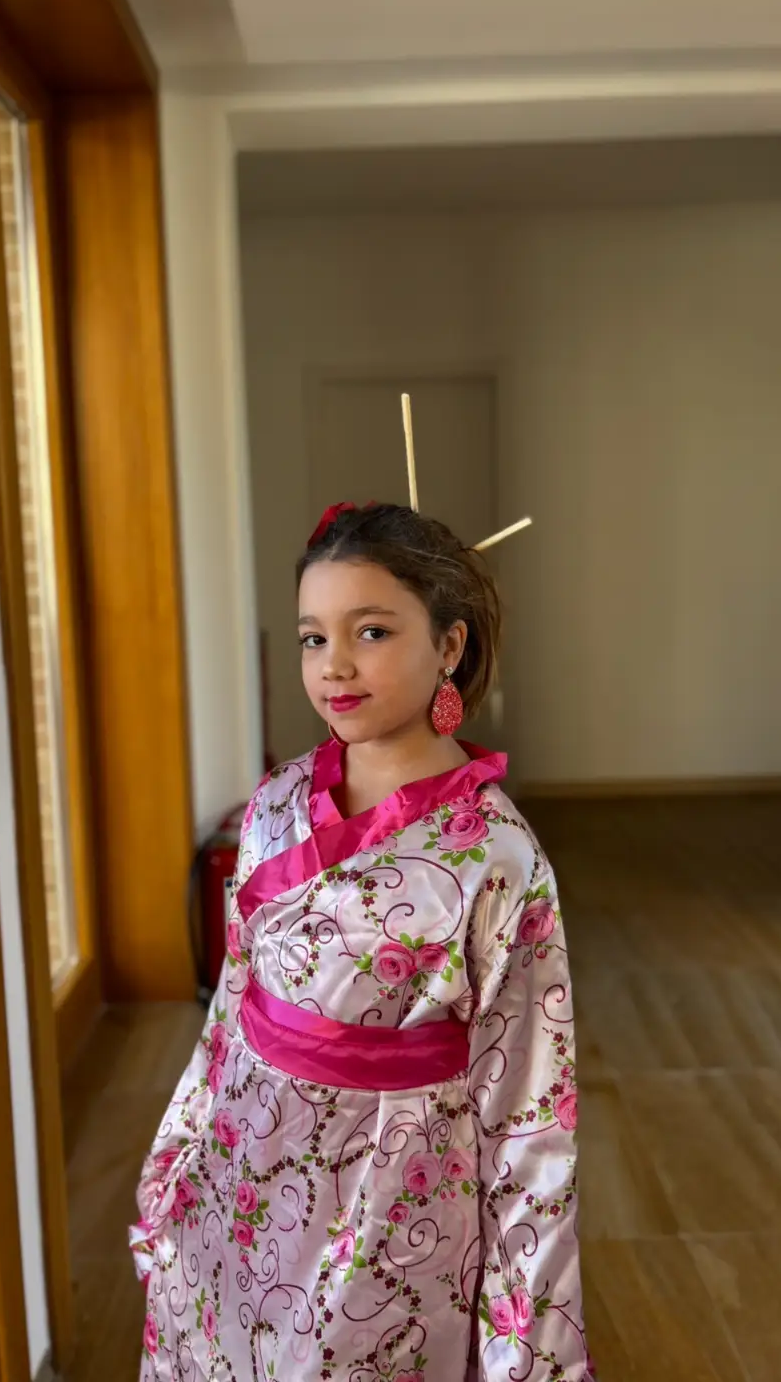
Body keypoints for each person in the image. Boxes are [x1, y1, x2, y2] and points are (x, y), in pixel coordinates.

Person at [130, 502, 592, 1382]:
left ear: (449, 645)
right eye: (313, 638)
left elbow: (529, 1109)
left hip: (392, 1197)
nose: (334, 665)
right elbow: (233, 1003)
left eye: (371, 631)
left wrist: (525, 1342)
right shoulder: (275, 801)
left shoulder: (497, 856)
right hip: (242, 1169)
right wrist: (181, 1146)